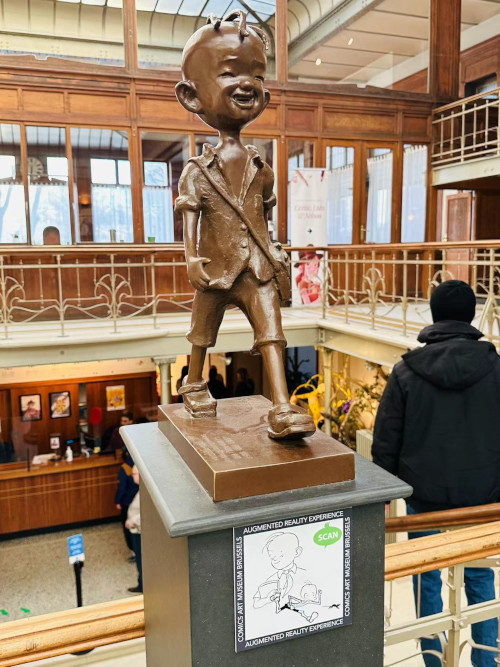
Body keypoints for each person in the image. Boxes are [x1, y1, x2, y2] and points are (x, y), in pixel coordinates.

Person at [174, 9, 315, 440]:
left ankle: (282, 406)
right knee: (202, 333)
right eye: (229, 73)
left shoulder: (262, 168)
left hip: (255, 264)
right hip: (216, 267)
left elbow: (263, 217)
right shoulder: (197, 170)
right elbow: (190, 217)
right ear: (191, 96)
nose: (246, 84)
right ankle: (194, 382)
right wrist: (191, 259)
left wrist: (272, 249)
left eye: (256, 74)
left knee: (272, 333)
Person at [372, 280, 500, 667]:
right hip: (482, 500)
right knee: (480, 578)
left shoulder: (405, 372)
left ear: (433, 313)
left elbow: (386, 441)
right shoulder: (496, 369)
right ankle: (486, 660)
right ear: (470, 316)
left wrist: (383, 499)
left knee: (425, 578)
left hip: (424, 500)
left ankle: (433, 659)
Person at [115, 447, 139, 561]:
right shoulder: (141, 464)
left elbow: (122, 487)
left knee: (128, 529)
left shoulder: (125, 468)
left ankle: (133, 551)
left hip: (127, 502)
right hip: (138, 500)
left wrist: (118, 501)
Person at [125, 466, 142, 593]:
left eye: (134, 474)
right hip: (135, 529)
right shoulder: (140, 489)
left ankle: (143, 586)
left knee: (141, 560)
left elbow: (145, 513)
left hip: (139, 531)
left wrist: (132, 521)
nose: (132, 477)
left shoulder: (145, 492)